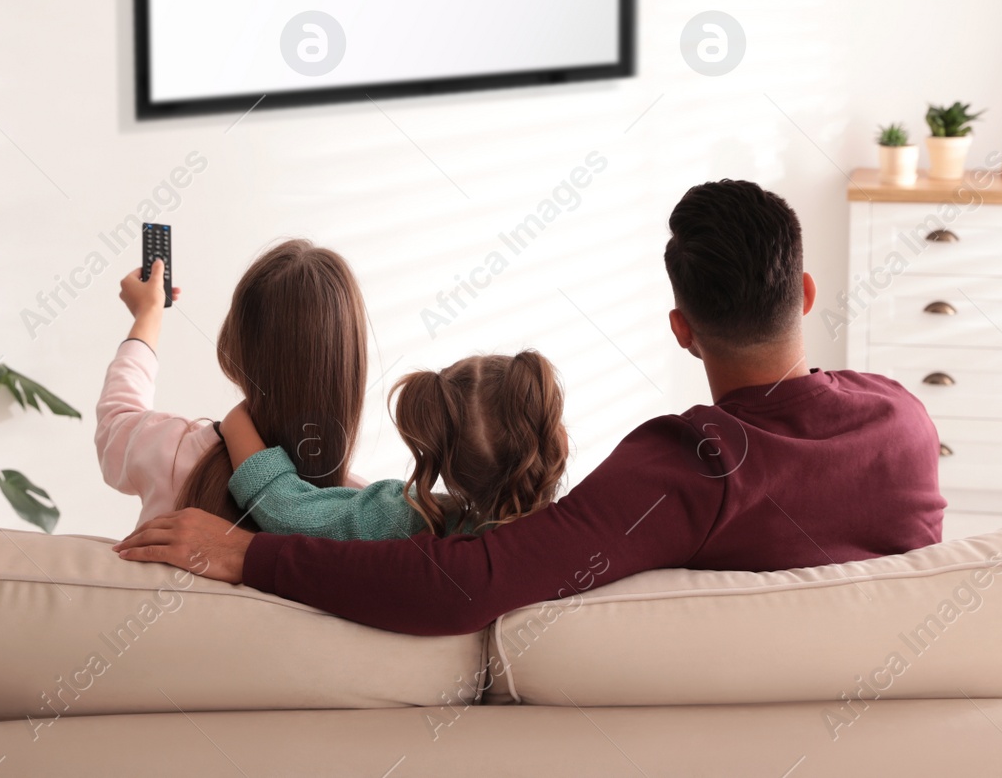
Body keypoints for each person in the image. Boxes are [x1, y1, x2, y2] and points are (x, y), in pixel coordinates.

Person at [116, 180, 947, 635]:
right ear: (803, 291)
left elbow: (466, 583)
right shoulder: (904, 422)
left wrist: (249, 557)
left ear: (683, 331)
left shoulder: (687, 467)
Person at [94, 239, 367, 527]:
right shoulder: (360, 514)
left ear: (231, 350)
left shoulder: (171, 453)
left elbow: (115, 418)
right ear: (352, 371)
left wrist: (148, 314)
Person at [218, 351, 569, 540]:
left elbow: (288, 511)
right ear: (557, 444)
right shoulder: (573, 540)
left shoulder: (409, 519)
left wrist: (236, 421)